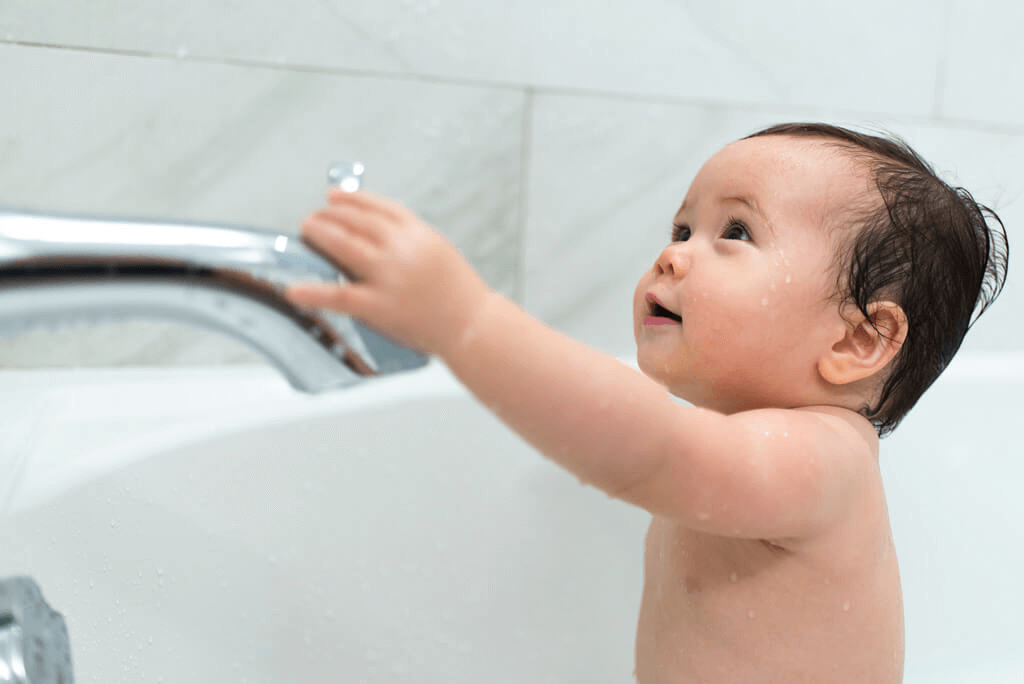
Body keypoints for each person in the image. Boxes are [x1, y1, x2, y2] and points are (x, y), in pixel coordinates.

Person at [285, 122, 1008, 683]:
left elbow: (648, 452)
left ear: (858, 341)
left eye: (736, 232)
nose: (673, 254)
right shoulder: (743, 436)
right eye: (681, 228)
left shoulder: (821, 460)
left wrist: (467, 321)